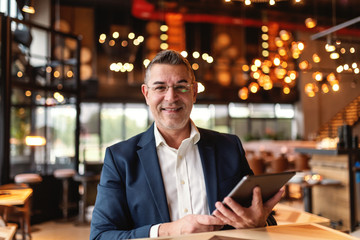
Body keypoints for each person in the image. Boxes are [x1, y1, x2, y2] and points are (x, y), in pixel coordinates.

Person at [90, 49, 283, 239]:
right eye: (160, 87)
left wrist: (259, 224)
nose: (171, 97)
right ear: (146, 93)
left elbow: (260, 217)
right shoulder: (120, 158)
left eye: (181, 86)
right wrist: (169, 231)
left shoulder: (229, 147)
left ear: (194, 92)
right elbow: (101, 235)